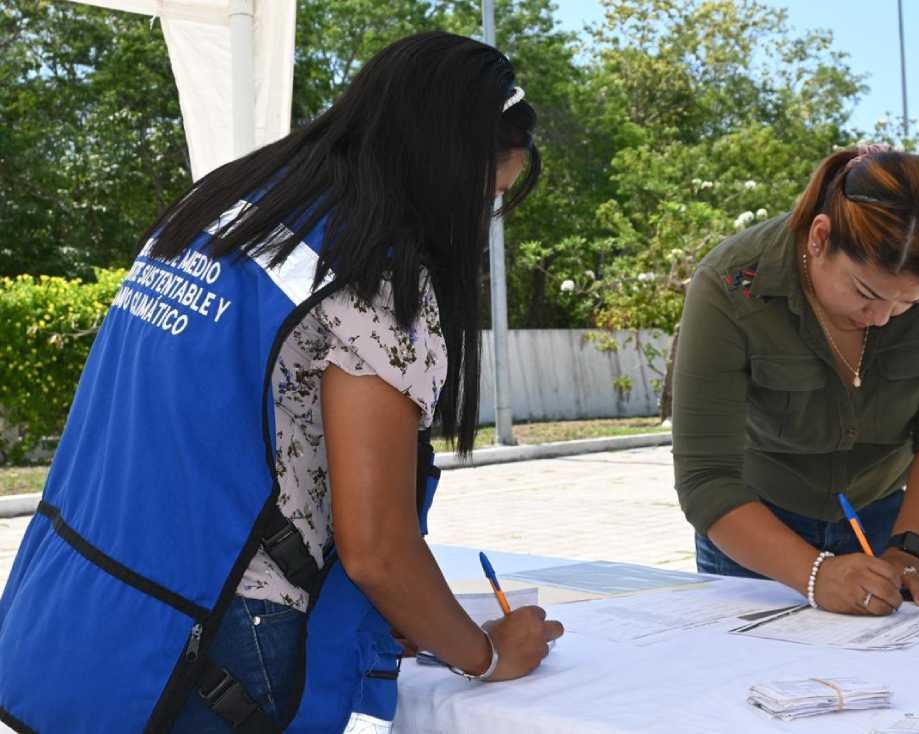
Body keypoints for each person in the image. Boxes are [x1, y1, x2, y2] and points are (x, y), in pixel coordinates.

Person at [0, 32, 562, 734]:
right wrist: (484, 653)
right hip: (213, 641)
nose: (480, 227)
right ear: (444, 167)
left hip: (78, 606)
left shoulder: (226, 209)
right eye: (486, 198)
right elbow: (377, 549)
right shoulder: (374, 269)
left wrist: (416, 616)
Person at [672, 144, 919, 617]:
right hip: (753, 529)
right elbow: (706, 477)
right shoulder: (732, 283)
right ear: (820, 237)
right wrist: (814, 575)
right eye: (866, 292)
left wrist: (911, 550)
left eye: (909, 305)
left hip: (885, 520)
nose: (882, 317)